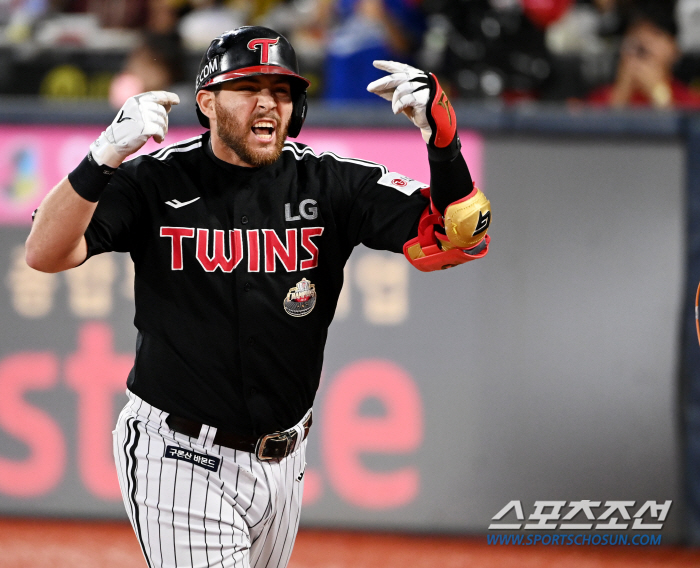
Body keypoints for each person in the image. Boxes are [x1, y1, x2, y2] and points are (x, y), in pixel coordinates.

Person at [24, 26, 491, 568]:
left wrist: (444, 143)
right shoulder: (154, 180)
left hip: (283, 461)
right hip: (179, 454)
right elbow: (45, 252)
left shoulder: (329, 182)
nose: (269, 102)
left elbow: (461, 237)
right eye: (249, 88)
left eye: (283, 90)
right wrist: (102, 156)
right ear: (207, 101)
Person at [587, 1, 700, 109]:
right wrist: (621, 95)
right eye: (635, 33)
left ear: (675, 50)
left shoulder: (690, 100)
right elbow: (593, 125)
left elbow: (686, 124)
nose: (644, 41)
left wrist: (659, 94)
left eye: (656, 34)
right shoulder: (599, 99)